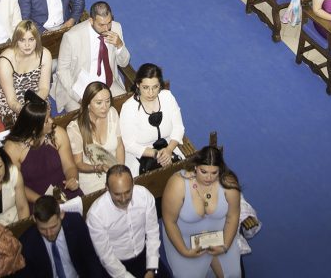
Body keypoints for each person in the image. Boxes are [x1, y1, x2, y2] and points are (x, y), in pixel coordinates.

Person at [161, 146, 241, 278]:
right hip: (185, 240)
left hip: (220, 236)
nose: (209, 177)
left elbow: (233, 216)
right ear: (195, 167)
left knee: (233, 274)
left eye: (214, 173)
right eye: (204, 172)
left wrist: (225, 246)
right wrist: (184, 251)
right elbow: (169, 221)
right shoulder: (178, 184)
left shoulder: (229, 183)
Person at [53, 1, 131, 112]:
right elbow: (62, 70)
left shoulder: (116, 28)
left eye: (109, 23)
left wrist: (119, 45)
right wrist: (79, 97)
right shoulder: (72, 36)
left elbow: (124, 63)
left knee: (127, 108)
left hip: (108, 84)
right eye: (101, 25)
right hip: (78, 88)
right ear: (91, 21)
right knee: (82, 122)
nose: (106, 29)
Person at [87, 165, 162, 278]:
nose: (123, 199)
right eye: (117, 194)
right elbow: (106, 255)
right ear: (107, 188)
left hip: (145, 255)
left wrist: (151, 269)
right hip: (115, 265)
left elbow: (152, 232)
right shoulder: (96, 215)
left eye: (127, 192)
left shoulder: (144, 196)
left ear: (133, 184)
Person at [2, 97, 80, 203]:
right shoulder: (12, 147)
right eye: (46, 121)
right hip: (37, 200)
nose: (52, 121)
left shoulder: (58, 133)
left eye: (50, 117)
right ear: (34, 129)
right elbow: (17, 185)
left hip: (65, 190)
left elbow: (69, 166)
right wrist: (42, 201)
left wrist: (72, 179)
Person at [119, 63, 185, 176]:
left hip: (168, 149)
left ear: (160, 85)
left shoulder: (168, 97)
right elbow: (129, 144)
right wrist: (156, 154)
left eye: (155, 87)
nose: (151, 93)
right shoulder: (129, 108)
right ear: (138, 85)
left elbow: (178, 128)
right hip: (141, 155)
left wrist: (169, 150)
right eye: (146, 88)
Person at [20, 194, 103, 278]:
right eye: (43, 229)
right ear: (34, 219)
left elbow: (91, 259)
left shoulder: (75, 223)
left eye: (53, 227)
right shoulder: (27, 242)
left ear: (61, 214)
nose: (49, 234)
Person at [68, 81, 125, 195]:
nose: (105, 107)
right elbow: (78, 164)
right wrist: (98, 168)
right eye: (99, 103)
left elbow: (119, 146)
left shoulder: (112, 113)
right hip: (92, 176)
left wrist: (121, 170)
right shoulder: (75, 128)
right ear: (88, 104)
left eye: (108, 101)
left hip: (114, 169)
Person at [0, 20, 52, 128]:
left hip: (36, 95)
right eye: (22, 40)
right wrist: (25, 111)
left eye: (31, 39)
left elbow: (44, 88)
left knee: (45, 123)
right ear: (16, 40)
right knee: (24, 127)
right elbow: (11, 100)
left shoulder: (45, 54)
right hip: (11, 100)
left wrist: (34, 103)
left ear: (37, 39)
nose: (27, 45)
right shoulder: (5, 61)